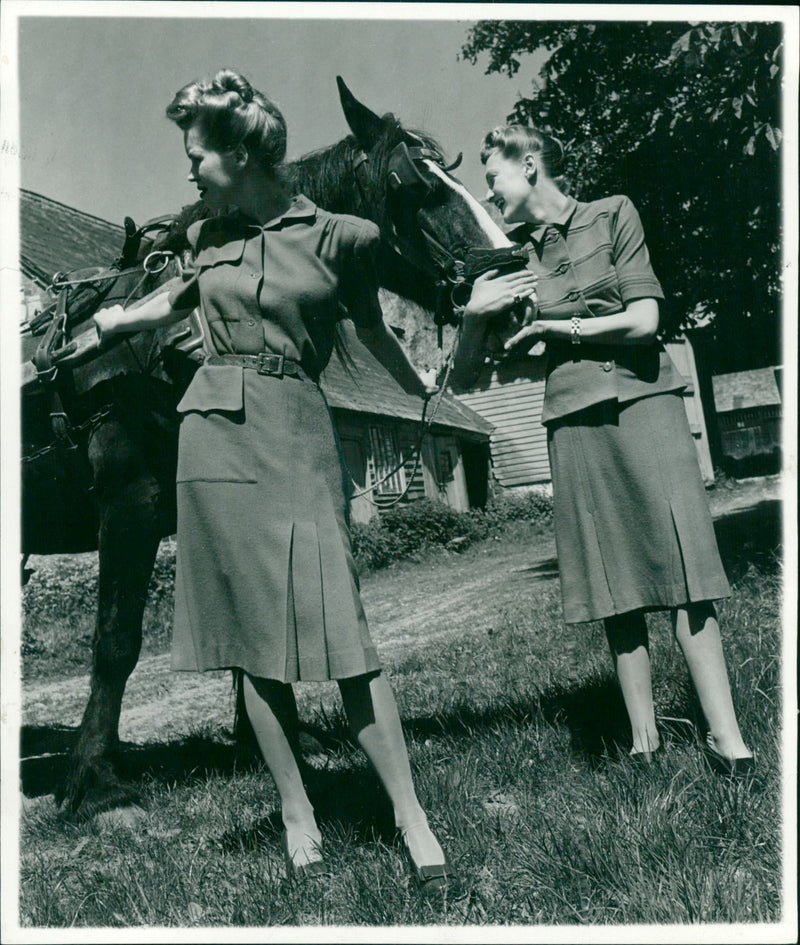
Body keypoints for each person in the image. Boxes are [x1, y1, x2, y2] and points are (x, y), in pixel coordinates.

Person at [93, 69, 456, 889]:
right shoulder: (200, 239)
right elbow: (173, 304)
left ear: (244, 152)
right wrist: (116, 317)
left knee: (346, 638)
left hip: (296, 426)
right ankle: (297, 808)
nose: (190, 167)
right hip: (213, 435)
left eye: (199, 152)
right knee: (253, 646)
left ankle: (410, 812)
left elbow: (372, 332)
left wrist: (426, 391)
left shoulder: (342, 237)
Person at [450, 124, 753, 775]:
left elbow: (646, 321)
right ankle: (644, 743)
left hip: (647, 404)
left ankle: (727, 737)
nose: (488, 191)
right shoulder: (510, 261)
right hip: (573, 423)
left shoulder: (613, 213)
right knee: (616, 586)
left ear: (530, 164)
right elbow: (467, 381)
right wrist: (477, 316)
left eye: (493, 174)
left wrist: (558, 327)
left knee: (684, 572)